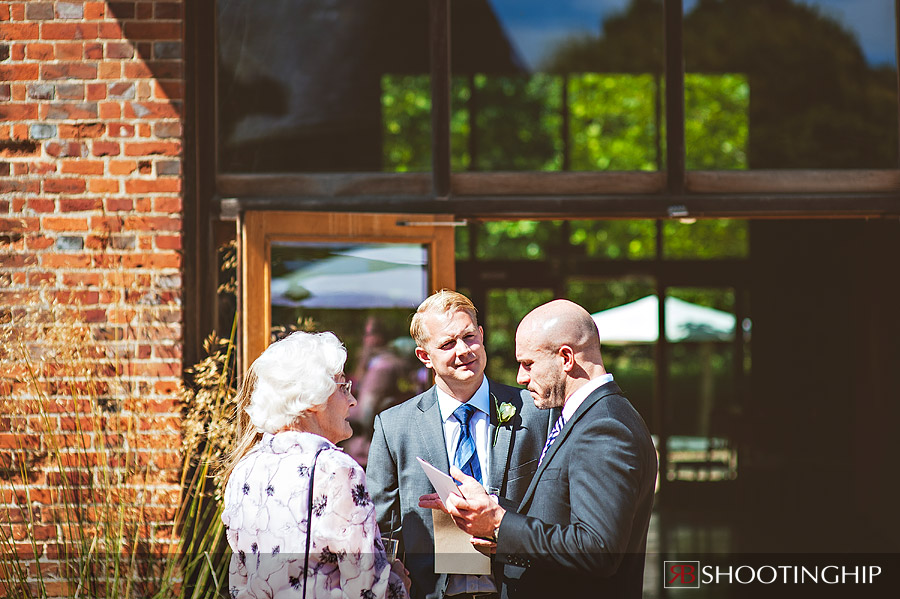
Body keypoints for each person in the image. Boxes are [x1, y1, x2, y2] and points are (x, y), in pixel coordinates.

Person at [434, 299, 657, 599]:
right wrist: (492, 507)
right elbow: (560, 516)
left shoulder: (604, 427)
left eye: (528, 364)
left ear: (566, 358)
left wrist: (500, 524)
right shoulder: (589, 416)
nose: (520, 378)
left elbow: (598, 549)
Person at [366, 290, 549, 599]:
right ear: (425, 356)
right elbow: (383, 528)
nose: (464, 350)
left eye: (469, 337)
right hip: (429, 590)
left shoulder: (533, 412)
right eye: (448, 344)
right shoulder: (394, 425)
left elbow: (552, 505)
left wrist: (503, 528)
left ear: (481, 334)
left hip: (517, 586)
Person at [220, 331, 411, 599]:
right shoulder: (335, 470)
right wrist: (397, 582)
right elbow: (369, 588)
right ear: (313, 399)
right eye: (344, 388)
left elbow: (238, 582)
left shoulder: (243, 470)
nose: (352, 401)